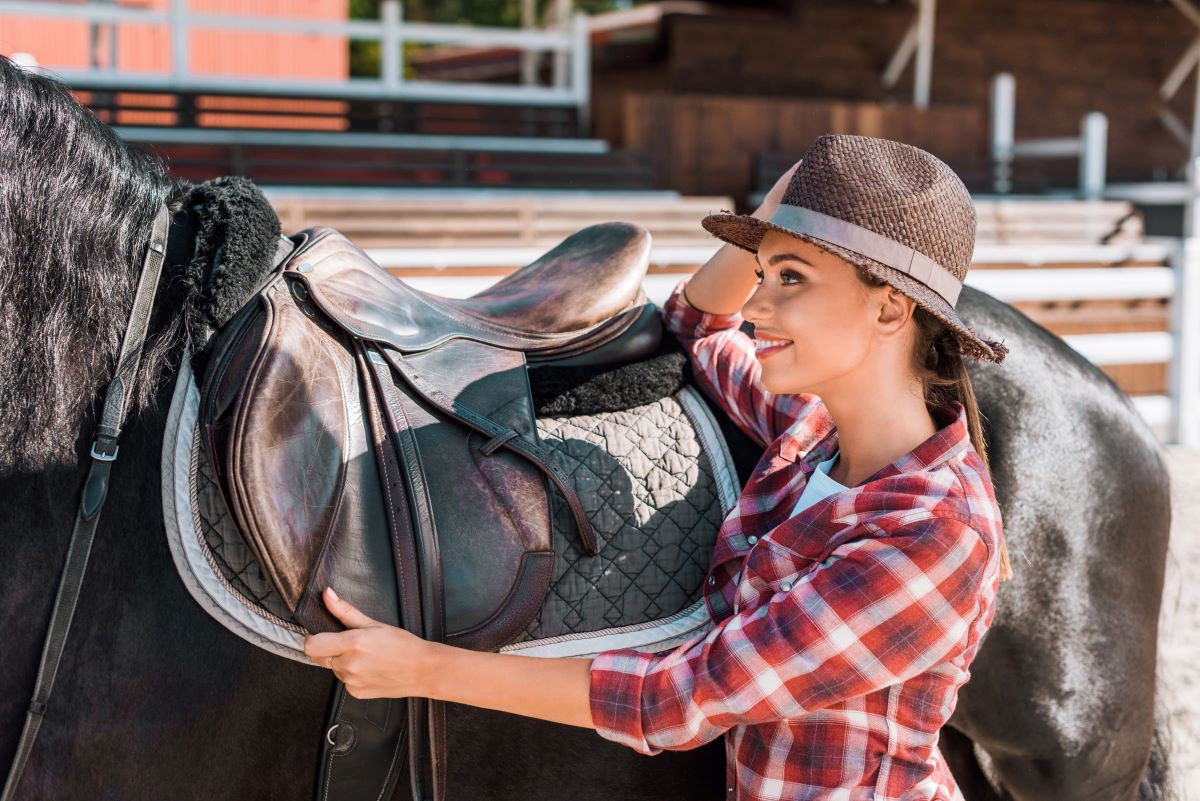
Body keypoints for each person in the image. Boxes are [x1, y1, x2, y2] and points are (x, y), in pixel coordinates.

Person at [304, 133, 1012, 801]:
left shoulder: (935, 532)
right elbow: (698, 322)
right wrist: (770, 220)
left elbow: (677, 699)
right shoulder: (810, 433)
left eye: (790, 279)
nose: (757, 305)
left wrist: (420, 668)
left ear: (891, 308)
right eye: (761, 274)